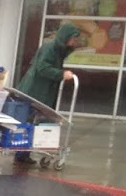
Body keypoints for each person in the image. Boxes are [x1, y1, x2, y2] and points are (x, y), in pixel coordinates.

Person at [11, 22, 85, 163]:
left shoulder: (59, 50)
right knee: (29, 122)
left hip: (42, 92)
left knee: (36, 122)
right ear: (65, 37)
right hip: (34, 91)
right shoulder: (50, 48)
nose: (75, 42)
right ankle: (21, 154)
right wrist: (61, 74)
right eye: (73, 39)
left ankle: (24, 154)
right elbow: (42, 68)